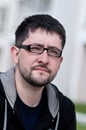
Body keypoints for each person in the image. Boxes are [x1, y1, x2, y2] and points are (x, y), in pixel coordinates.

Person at [0, 14, 76, 130]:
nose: (44, 59)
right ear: (16, 54)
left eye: (53, 52)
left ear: (60, 63)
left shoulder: (65, 110)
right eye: (35, 48)